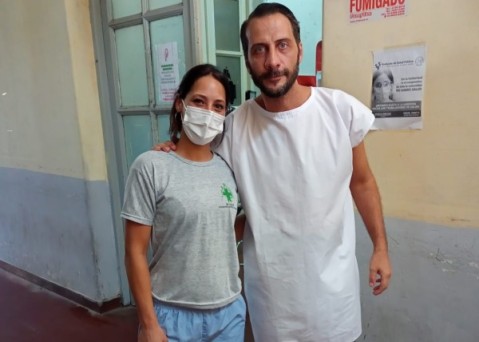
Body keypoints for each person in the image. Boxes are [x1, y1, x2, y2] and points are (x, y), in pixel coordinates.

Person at [156, 3, 392, 341]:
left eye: (282, 45)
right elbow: (203, 182)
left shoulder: (340, 111)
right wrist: (170, 151)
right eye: (259, 50)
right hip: (272, 305)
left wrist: (380, 247)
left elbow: (362, 181)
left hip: (335, 302)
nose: (273, 62)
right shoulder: (234, 128)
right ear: (248, 59)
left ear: (299, 48)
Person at [122, 63, 246, 342]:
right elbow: (134, 252)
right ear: (180, 103)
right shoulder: (151, 167)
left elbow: (221, 230)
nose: (208, 113)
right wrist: (149, 324)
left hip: (228, 314)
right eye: (199, 102)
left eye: (218, 106)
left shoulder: (228, 168)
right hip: (171, 316)